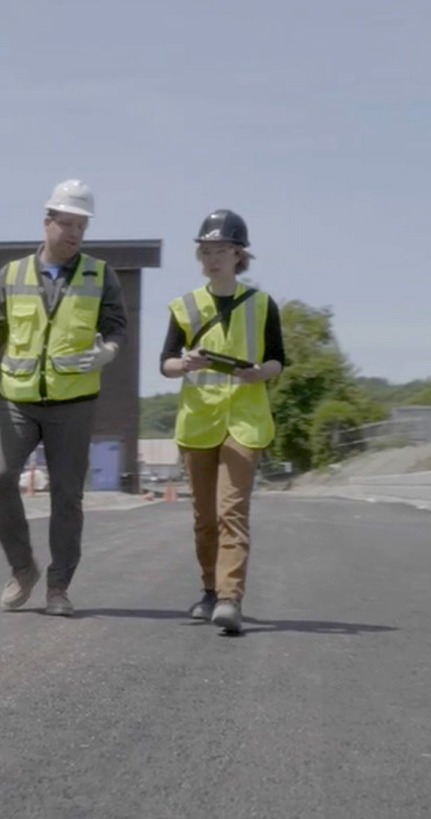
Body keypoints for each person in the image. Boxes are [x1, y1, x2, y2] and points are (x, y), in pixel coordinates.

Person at [0, 178, 128, 617]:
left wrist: (107, 354)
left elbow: (116, 328)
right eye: (67, 223)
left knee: (67, 496)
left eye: (81, 226)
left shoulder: (100, 274)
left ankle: (58, 587)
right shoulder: (11, 275)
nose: (74, 233)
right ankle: (23, 569)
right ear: (47, 222)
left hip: (73, 403)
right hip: (16, 399)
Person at [160, 208, 289, 636]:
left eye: (221, 250)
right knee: (205, 517)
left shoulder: (263, 305)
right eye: (206, 251)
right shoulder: (184, 307)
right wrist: (186, 363)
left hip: (245, 422)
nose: (212, 258)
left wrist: (259, 373)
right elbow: (166, 364)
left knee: (232, 510)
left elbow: (278, 360)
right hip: (199, 422)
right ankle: (210, 590)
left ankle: (231, 598)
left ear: (239, 255)